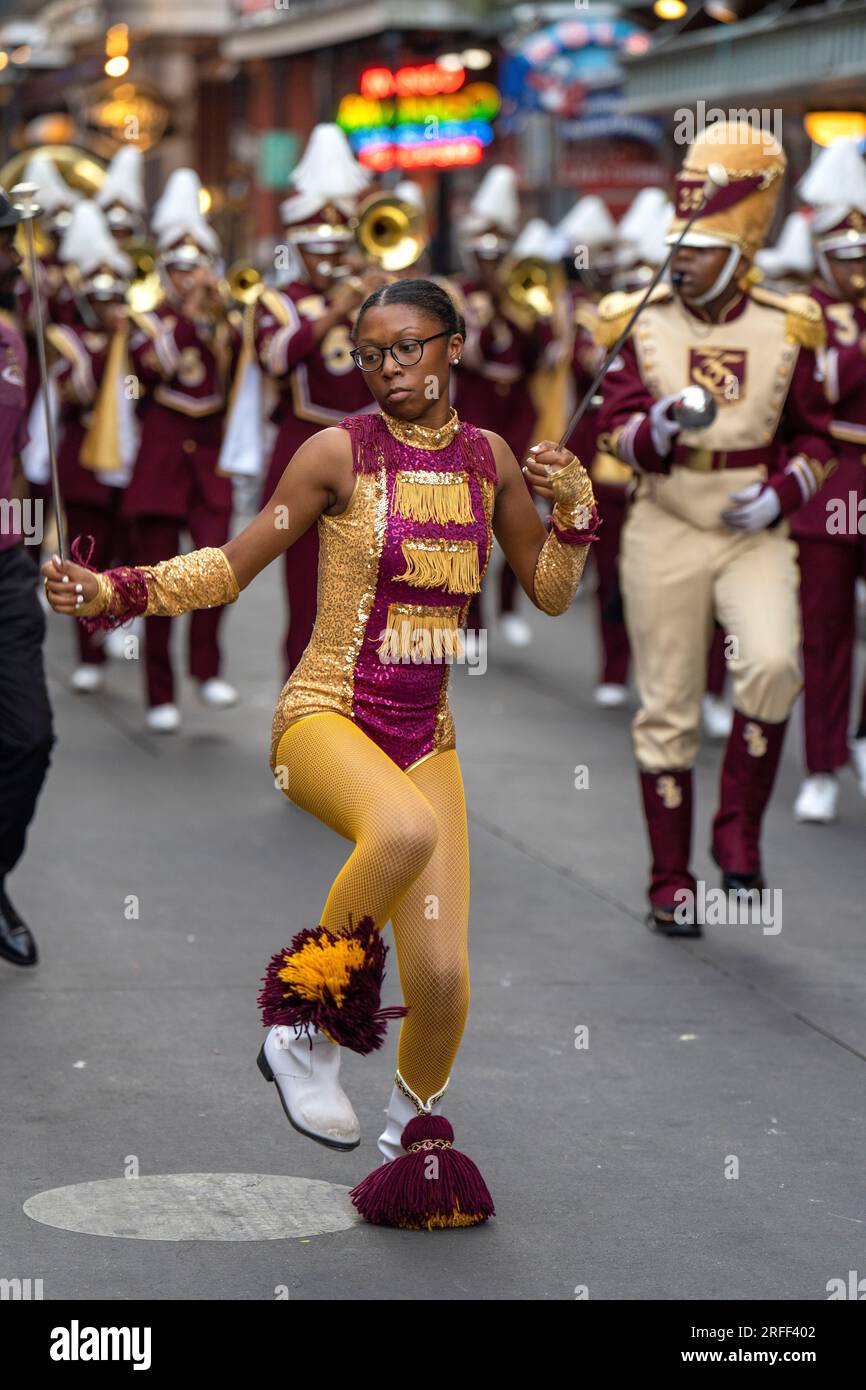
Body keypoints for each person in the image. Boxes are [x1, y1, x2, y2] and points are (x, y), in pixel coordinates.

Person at [43, 277, 599, 1230]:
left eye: (408, 348)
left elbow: (548, 592)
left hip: (429, 735)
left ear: (453, 345)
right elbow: (231, 565)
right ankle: (299, 1026)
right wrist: (114, 592)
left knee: (444, 980)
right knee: (399, 829)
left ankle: (409, 1142)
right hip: (323, 716)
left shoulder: (491, 458)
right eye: (370, 354)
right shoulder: (337, 451)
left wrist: (577, 512)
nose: (389, 370)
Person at [595, 120, 836, 936]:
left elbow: (816, 436)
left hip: (752, 524)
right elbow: (611, 427)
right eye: (678, 243)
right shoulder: (636, 316)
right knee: (666, 707)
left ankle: (738, 835)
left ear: (737, 252)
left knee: (771, 665)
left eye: (697, 246)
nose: (681, 257)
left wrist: (782, 493)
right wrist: (656, 424)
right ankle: (671, 879)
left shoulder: (790, 321)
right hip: (665, 519)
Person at [251, 123, 387, 679]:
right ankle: (301, 713)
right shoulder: (278, 301)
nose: (328, 259)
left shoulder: (377, 297)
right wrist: (335, 307)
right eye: (317, 250)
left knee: (371, 599)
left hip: (374, 452)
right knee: (306, 594)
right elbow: (277, 357)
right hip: (302, 448)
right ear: (298, 250)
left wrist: (387, 301)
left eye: (337, 247)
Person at [122, 168, 240, 732]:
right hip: (161, 464)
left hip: (210, 464)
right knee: (158, 581)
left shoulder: (226, 320)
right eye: (178, 267)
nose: (188, 276)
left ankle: (207, 668)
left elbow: (248, 375)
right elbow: (149, 371)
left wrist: (225, 323)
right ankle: (158, 693)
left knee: (216, 570)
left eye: (195, 265)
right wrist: (192, 323)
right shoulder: (148, 323)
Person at [791, 139, 866, 822]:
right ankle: (821, 764)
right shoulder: (805, 313)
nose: (859, 270)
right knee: (826, 631)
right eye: (848, 259)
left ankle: (862, 738)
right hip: (836, 481)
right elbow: (820, 389)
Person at [452, 165, 554, 647]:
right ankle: (472, 618)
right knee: (469, 520)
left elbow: (541, 357)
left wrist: (519, 312)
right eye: (483, 254)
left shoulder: (525, 294)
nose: (491, 263)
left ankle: (514, 604)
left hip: (518, 415)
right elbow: (460, 357)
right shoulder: (457, 295)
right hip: (473, 414)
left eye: (498, 253)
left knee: (520, 513)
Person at [49, 200, 136, 693]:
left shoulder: (137, 338)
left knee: (127, 553)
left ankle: (119, 627)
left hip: (130, 460)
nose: (109, 308)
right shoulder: (69, 340)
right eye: (100, 299)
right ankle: (87, 651)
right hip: (83, 462)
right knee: (83, 557)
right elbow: (73, 392)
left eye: (115, 297)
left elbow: (146, 394)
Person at [0, 187, 54, 967]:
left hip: (5, 565)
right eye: (5, 242)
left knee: (29, 738)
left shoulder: (13, 335)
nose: (15, 253)